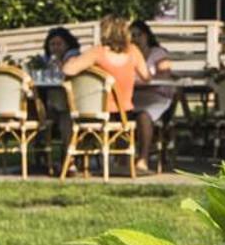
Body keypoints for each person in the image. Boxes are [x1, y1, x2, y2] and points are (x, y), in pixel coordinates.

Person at [62, 15, 149, 163]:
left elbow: (68, 70)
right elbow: (146, 77)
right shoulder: (133, 51)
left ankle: (72, 162)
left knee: (65, 115)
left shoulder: (97, 52)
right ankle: (122, 161)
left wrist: (71, 60)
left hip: (95, 112)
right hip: (123, 113)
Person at [129, 19, 175, 167]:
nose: (135, 39)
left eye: (138, 35)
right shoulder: (129, 55)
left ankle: (143, 158)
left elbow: (165, 74)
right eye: (132, 35)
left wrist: (144, 81)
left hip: (157, 96)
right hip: (134, 96)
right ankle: (122, 159)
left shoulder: (158, 53)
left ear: (147, 35)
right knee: (119, 113)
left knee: (144, 115)